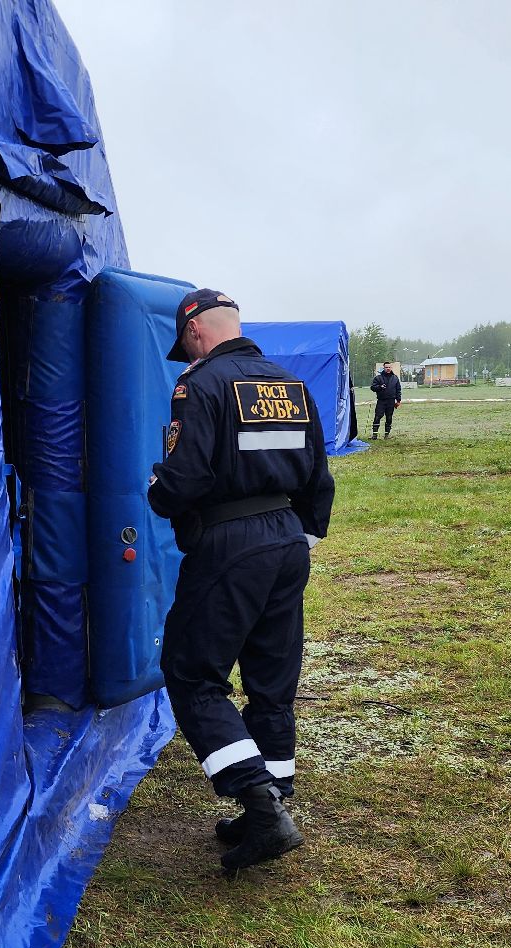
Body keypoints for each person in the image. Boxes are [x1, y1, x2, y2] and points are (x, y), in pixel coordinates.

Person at [149, 288, 335, 875]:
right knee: (271, 679)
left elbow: (184, 478)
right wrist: (299, 535)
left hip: (231, 543)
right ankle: (272, 801)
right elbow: (318, 472)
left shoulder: (198, 385)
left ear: (197, 332)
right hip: (286, 540)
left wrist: (157, 494)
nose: (188, 354)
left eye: (188, 344)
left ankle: (259, 805)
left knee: (192, 674)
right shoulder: (289, 383)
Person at [368, 361, 401, 440]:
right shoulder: (378, 378)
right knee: (377, 417)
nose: (388, 369)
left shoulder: (395, 378)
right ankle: (374, 435)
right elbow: (372, 388)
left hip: (391, 401)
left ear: (391, 368)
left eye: (389, 367)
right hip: (381, 401)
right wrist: (380, 387)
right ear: (384, 368)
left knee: (389, 418)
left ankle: (387, 435)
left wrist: (398, 401)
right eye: (386, 367)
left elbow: (398, 390)